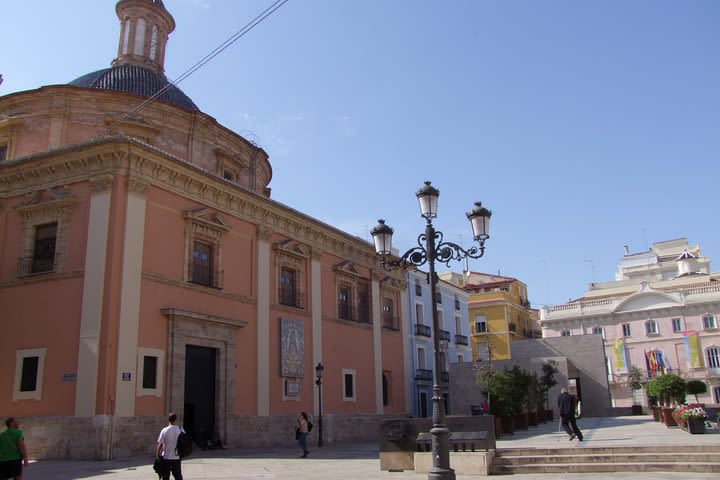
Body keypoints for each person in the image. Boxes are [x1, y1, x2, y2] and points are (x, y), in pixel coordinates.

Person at [156, 413, 183, 480]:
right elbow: (184, 441)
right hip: (176, 457)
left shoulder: (164, 430)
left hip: (166, 457)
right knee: (178, 476)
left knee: (165, 476)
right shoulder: (180, 429)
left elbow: (160, 444)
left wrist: (157, 455)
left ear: (168, 420)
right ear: (175, 419)